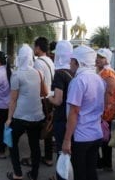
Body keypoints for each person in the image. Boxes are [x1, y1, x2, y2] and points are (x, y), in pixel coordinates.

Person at [62, 45, 105, 180]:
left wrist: (67, 139)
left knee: (79, 173)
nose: (70, 64)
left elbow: (74, 112)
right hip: (96, 133)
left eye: (72, 61)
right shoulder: (99, 79)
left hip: (81, 136)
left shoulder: (78, 81)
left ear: (78, 62)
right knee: (91, 171)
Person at [5, 44, 44, 180]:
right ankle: (34, 174)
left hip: (20, 117)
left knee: (11, 142)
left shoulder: (16, 75)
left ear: (20, 58)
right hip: (37, 116)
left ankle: (17, 174)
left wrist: (9, 118)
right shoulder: (38, 73)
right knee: (35, 146)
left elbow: (13, 100)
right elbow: (41, 93)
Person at [47, 40, 73, 180]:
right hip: (72, 118)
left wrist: (47, 97)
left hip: (61, 117)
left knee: (61, 150)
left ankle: (61, 176)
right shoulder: (74, 71)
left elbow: (58, 100)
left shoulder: (59, 74)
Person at [95, 48, 115, 172]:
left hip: (105, 113)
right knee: (103, 138)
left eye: (102, 57)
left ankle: (105, 164)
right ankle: (103, 163)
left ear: (107, 59)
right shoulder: (102, 71)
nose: (98, 59)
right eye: (98, 56)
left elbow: (109, 95)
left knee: (104, 139)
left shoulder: (109, 73)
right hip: (102, 111)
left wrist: (102, 112)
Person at [33, 37, 55, 166]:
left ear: (38, 47)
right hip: (50, 98)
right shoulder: (49, 61)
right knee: (48, 128)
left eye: (34, 46)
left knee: (38, 128)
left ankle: (36, 157)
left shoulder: (39, 62)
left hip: (43, 99)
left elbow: (38, 82)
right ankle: (48, 157)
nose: (33, 49)